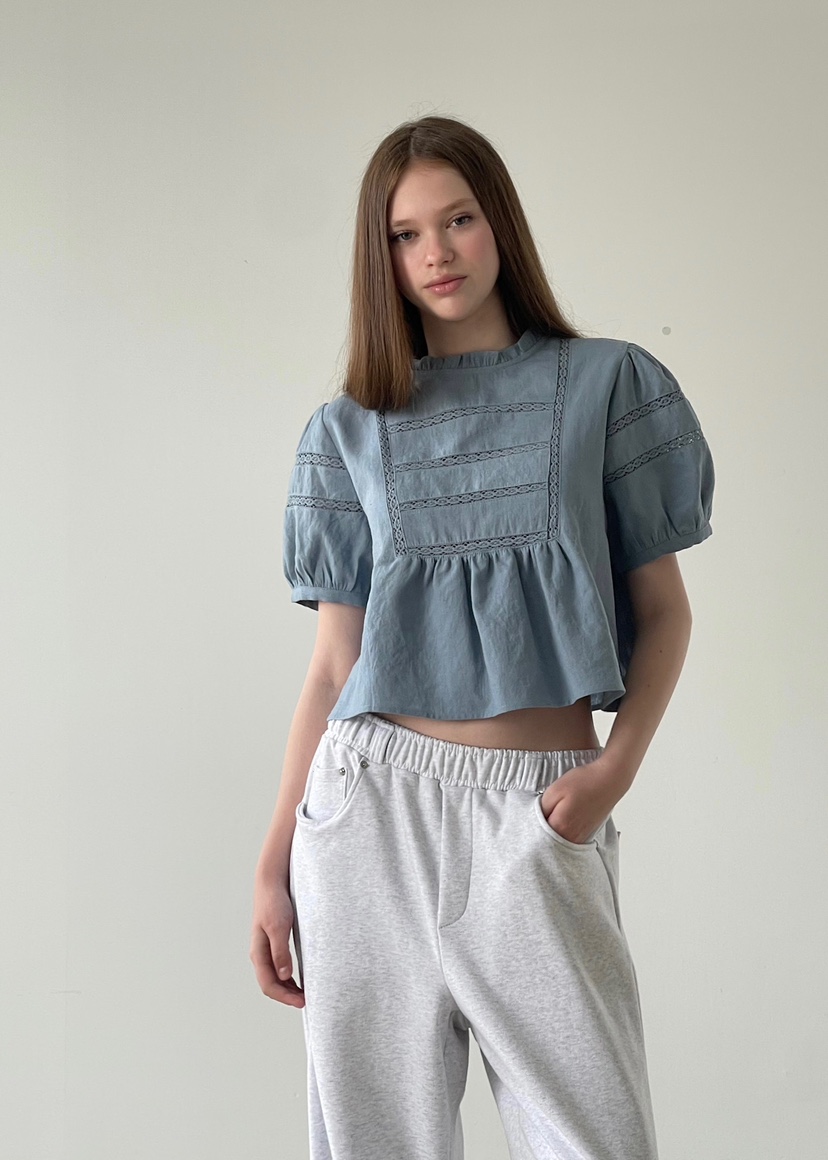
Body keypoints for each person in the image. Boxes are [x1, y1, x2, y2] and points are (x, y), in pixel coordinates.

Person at [250, 114, 715, 1160]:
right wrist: (274, 861)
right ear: (381, 258)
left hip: (539, 813)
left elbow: (666, 613)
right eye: (405, 234)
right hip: (368, 813)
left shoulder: (607, 384)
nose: (437, 253)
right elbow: (333, 666)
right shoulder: (347, 429)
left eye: (457, 220)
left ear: (498, 221)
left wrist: (611, 774)